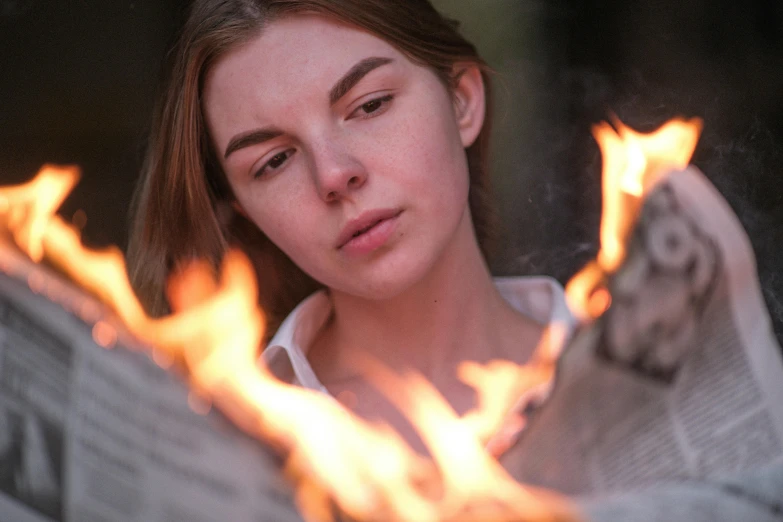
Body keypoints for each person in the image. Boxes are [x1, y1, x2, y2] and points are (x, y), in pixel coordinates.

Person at [128, 1, 783, 520]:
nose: (334, 175)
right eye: (272, 161)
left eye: (369, 106)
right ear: (244, 210)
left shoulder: (664, 384)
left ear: (462, 100)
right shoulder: (221, 435)